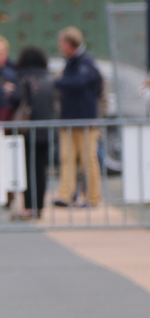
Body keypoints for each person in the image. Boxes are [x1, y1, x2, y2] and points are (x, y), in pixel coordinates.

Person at [51, 27, 103, 208]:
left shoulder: (86, 63)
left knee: (88, 159)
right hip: (68, 119)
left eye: (62, 43)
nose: (60, 47)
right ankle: (66, 194)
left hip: (85, 120)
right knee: (66, 158)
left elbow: (81, 83)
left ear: (71, 44)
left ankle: (93, 197)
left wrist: (57, 81)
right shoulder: (70, 63)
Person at [12, 46, 56, 220]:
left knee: (28, 170)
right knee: (41, 170)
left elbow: (16, 98)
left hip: (28, 131)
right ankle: (39, 207)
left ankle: (29, 206)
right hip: (47, 130)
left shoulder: (24, 78)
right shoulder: (49, 79)